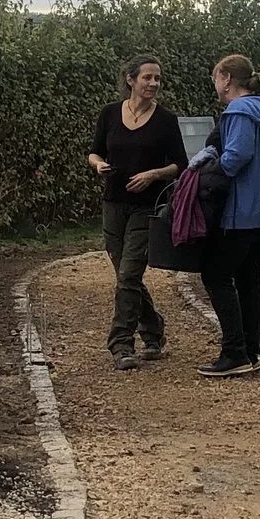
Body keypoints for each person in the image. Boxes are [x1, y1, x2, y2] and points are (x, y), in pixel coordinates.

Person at [86, 54, 188, 370]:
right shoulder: (109, 114)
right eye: (147, 78)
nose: (153, 84)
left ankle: (121, 345)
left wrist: (153, 175)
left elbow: (181, 165)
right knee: (124, 276)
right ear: (131, 80)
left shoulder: (166, 120)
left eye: (157, 78)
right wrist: (98, 165)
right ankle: (154, 329)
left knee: (129, 274)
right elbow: (94, 151)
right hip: (113, 203)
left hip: (148, 207)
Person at [194, 53, 260, 378]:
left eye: (216, 78)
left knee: (216, 275)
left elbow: (238, 154)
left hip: (244, 208)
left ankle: (233, 353)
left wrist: (209, 174)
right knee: (248, 276)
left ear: (227, 79)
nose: (216, 85)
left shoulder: (238, 110)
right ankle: (250, 351)